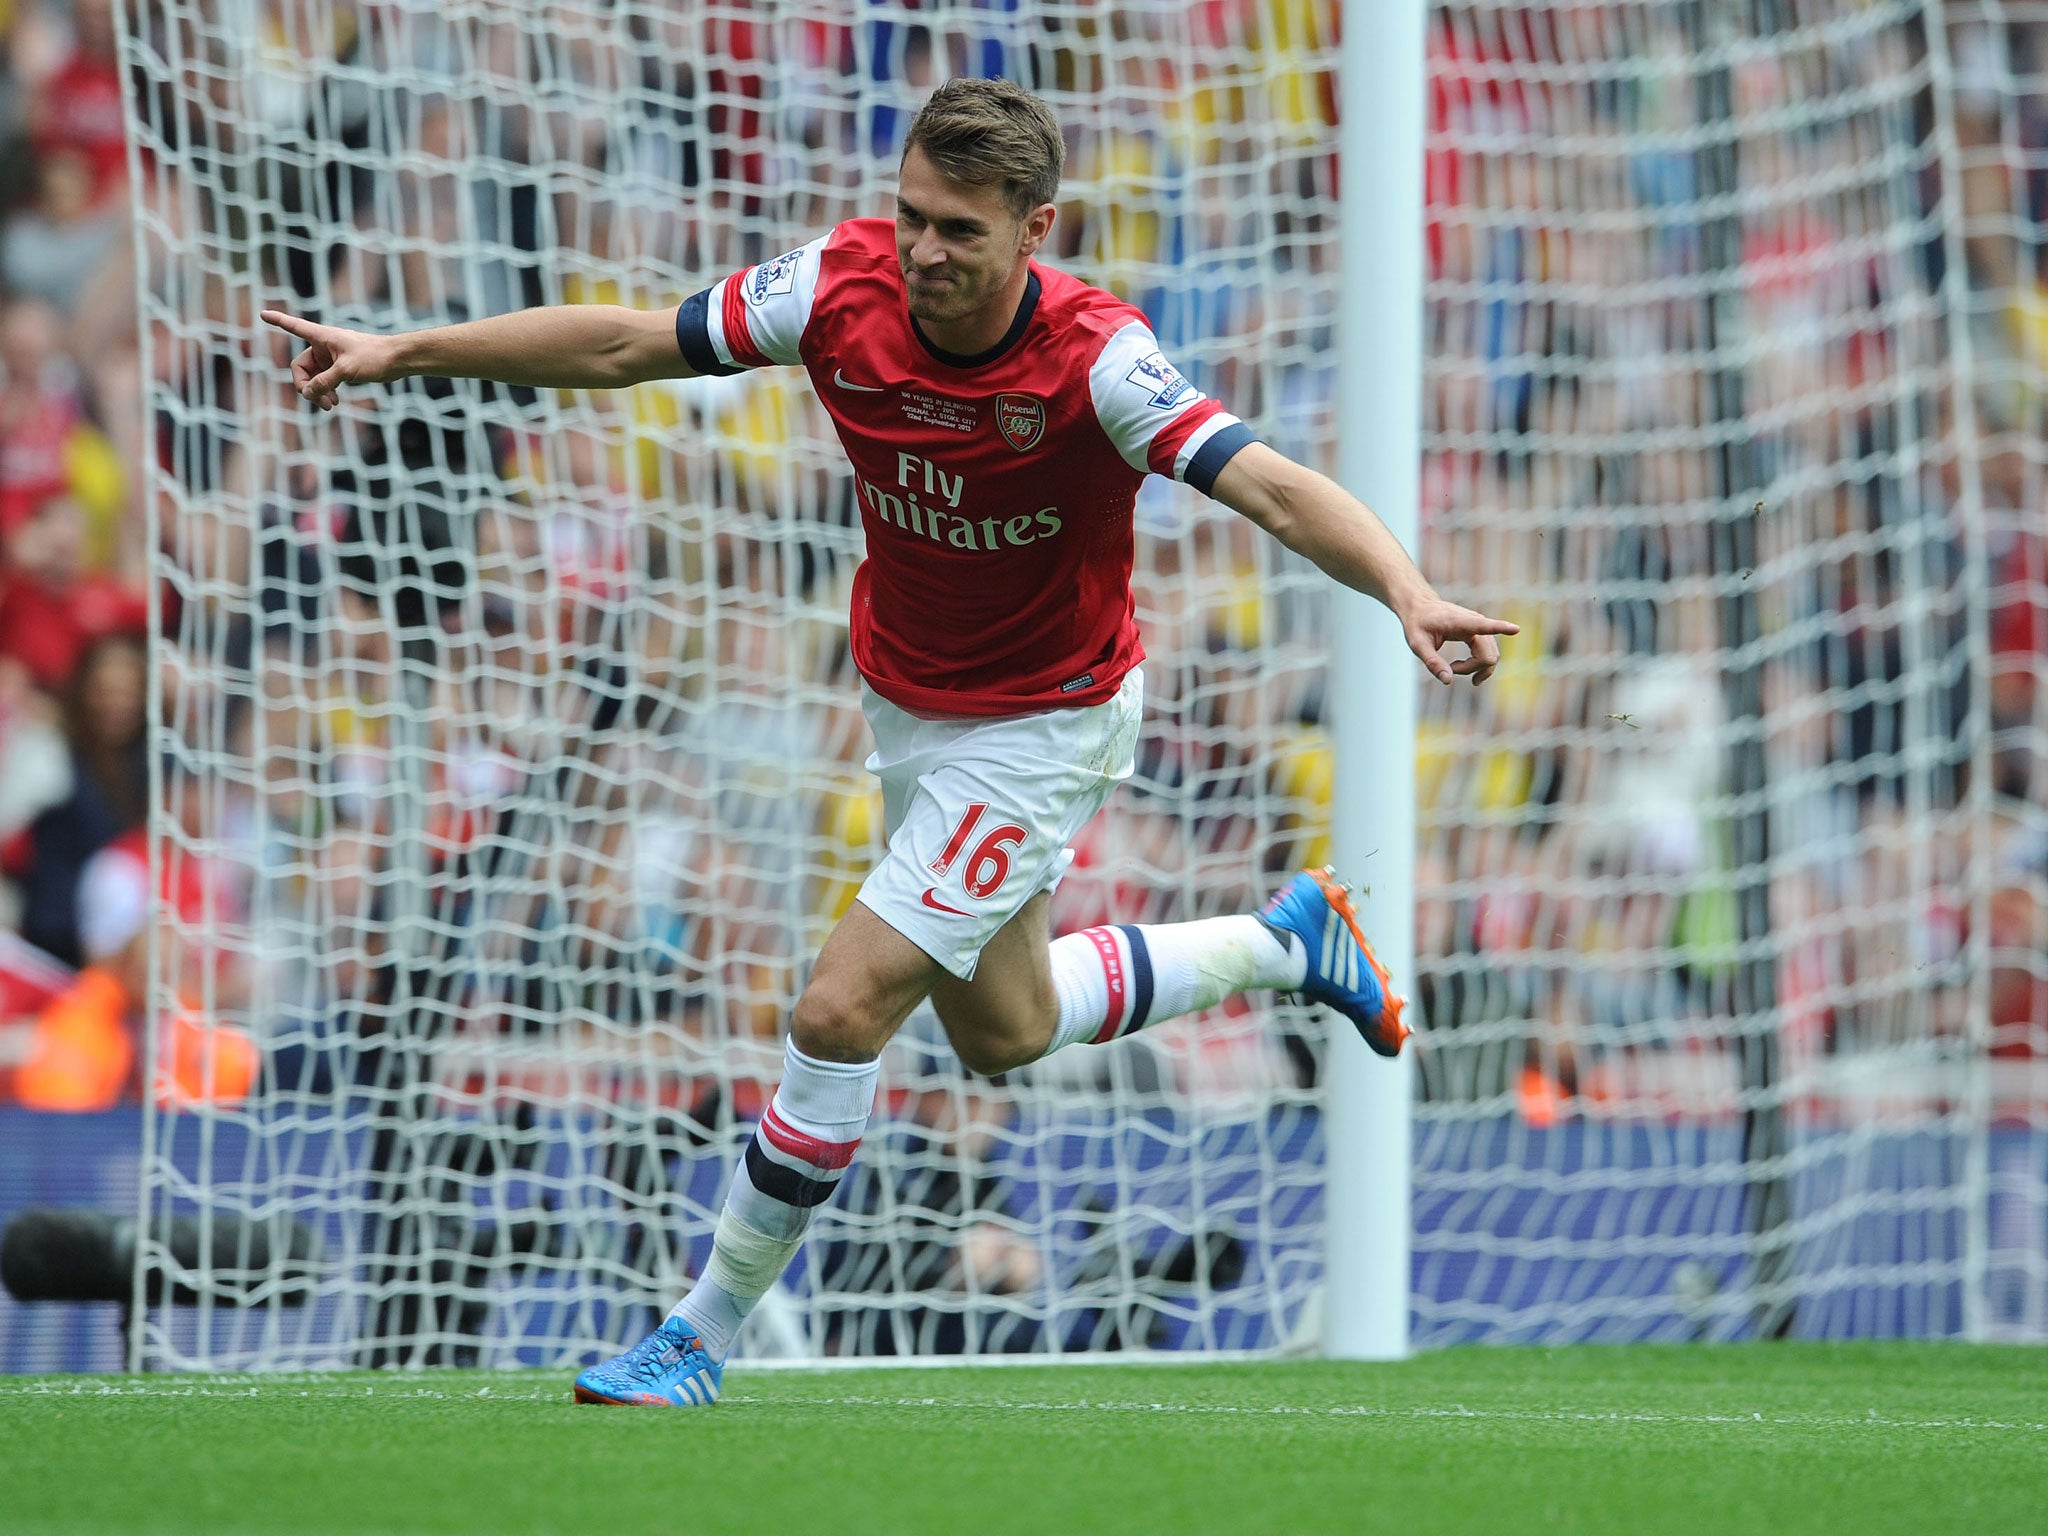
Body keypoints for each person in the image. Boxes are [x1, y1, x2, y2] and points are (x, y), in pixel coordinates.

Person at [261, 78, 1518, 1407]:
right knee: (1005, 1029)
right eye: (913, 215)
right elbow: (631, 344)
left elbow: (1269, 482)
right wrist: (411, 351)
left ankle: (699, 1335)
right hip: (909, 702)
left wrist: (1408, 590)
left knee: (837, 1004)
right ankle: (1287, 941)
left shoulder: (1101, 361)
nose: (924, 250)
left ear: (1038, 227)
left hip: (1047, 722)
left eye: (961, 233)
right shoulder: (838, 286)